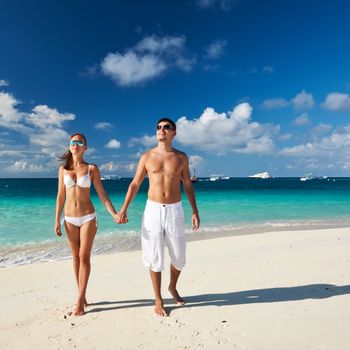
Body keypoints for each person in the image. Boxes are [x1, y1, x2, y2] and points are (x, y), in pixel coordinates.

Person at [117, 118, 200, 317]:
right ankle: (158, 298)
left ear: (174, 133)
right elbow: (135, 184)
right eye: (159, 127)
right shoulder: (147, 156)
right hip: (153, 209)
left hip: (175, 209)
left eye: (166, 127)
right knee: (154, 256)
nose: (161, 129)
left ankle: (172, 287)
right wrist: (123, 209)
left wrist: (195, 211)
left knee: (179, 258)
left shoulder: (181, 157)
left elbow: (187, 184)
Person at [54, 132, 119, 316]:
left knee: (84, 256)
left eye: (79, 142)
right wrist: (56, 220)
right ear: (69, 146)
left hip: (88, 217)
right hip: (69, 219)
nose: (76, 144)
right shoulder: (62, 170)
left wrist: (114, 213)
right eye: (73, 142)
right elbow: (60, 196)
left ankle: (79, 301)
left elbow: (102, 194)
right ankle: (82, 294)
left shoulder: (91, 169)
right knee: (75, 258)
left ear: (85, 147)